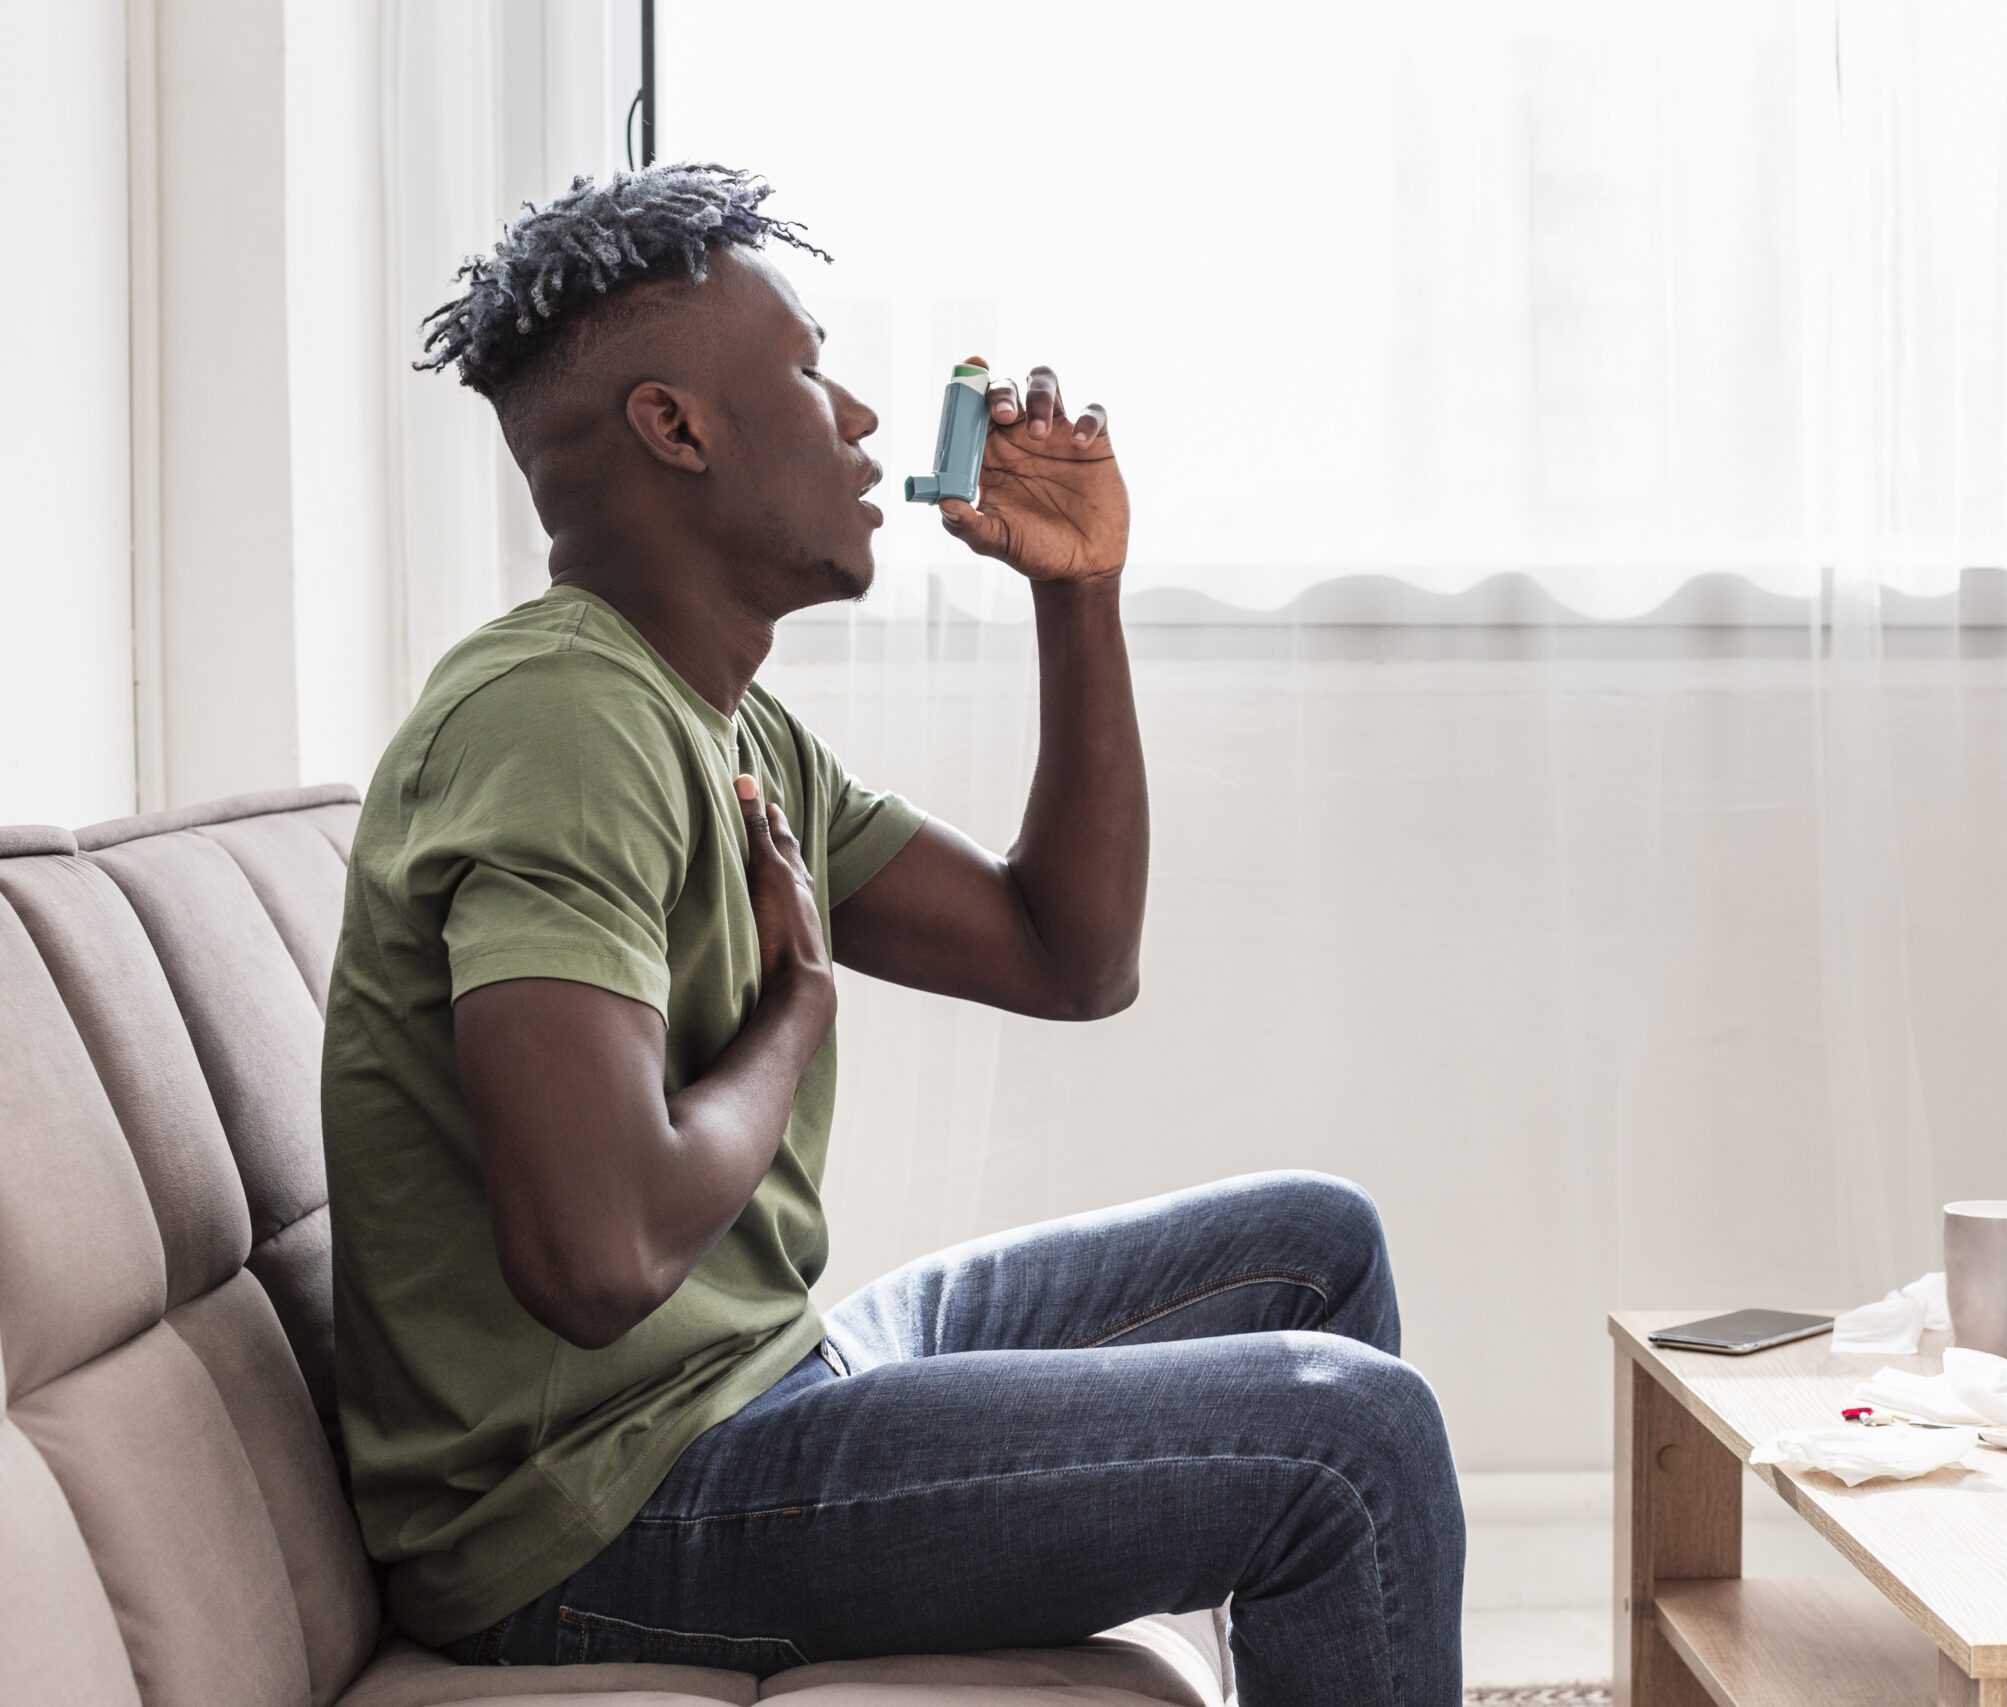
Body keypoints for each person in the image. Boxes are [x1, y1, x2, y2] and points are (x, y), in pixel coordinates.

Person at [318, 164, 1463, 1707]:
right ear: (677, 427)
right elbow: (592, 1259)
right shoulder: (559, 722)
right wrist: (799, 1009)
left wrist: (1083, 593)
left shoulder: (727, 726)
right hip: (604, 1522)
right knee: (1351, 1435)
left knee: (1315, 1244)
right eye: (806, 369)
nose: (860, 417)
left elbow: (1071, 955)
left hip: (758, 1382)